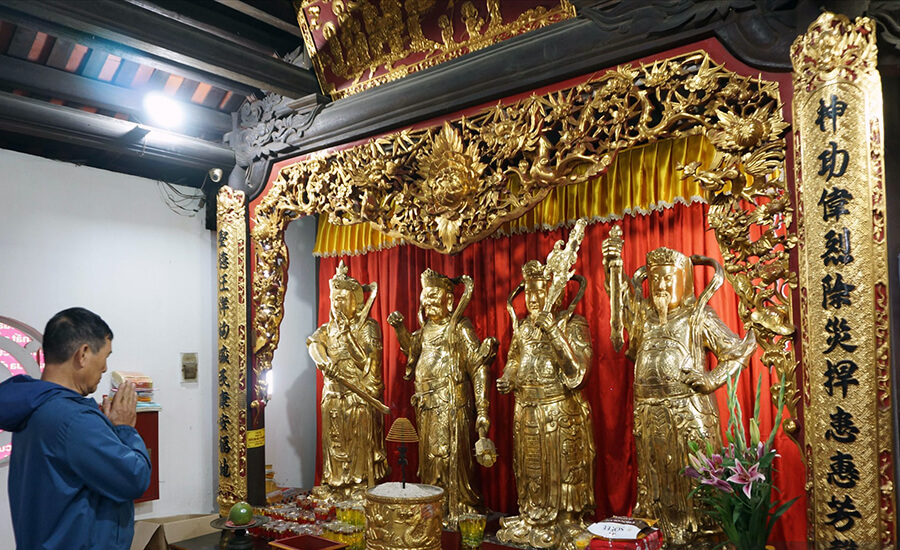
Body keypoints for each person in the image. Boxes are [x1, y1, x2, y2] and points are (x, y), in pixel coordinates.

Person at [602, 229, 757, 549]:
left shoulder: (697, 314)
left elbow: (740, 351)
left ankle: (704, 536)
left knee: (692, 479)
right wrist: (612, 264)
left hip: (688, 412)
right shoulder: (643, 315)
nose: (659, 285)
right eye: (655, 279)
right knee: (655, 477)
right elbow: (617, 304)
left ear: (683, 280)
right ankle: (657, 534)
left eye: (666, 278)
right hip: (648, 411)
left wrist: (712, 379)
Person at [0, 307, 151, 550]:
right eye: (105, 356)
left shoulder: (33, 407)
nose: (104, 368)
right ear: (83, 354)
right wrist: (124, 429)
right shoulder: (73, 419)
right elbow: (134, 478)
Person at [496, 258, 596, 550]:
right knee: (530, 469)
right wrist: (508, 376)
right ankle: (532, 517)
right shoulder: (524, 329)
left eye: (542, 291)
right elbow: (514, 359)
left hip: (559, 411)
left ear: (555, 292)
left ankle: (564, 520)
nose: (536, 299)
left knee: (561, 469)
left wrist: (554, 331)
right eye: (530, 292)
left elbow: (578, 374)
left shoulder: (572, 323)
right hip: (526, 410)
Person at [387, 269, 498, 529]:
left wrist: (482, 409)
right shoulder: (425, 330)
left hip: (453, 406)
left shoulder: (460, 327)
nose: (429, 302)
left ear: (449, 299)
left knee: (454, 461)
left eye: (435, 296)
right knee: (430, 461)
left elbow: (478, 365)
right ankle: (433, 506)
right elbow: (411, 350)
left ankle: (459, 506)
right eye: (426, 296)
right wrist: (400, 327)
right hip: (427, 408)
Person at [307, 261, 387, 500]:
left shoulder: (368, 327)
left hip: (357, 395)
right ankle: (334, 484)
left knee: (357, 440)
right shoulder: (327, 328)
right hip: (332, 394)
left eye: (343, 299)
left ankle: (358, 485)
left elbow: (367, 362)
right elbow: (313, 344)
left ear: (356, 301)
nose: (338, 304)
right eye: (334, 299)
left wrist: (348, 336)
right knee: (334, 440)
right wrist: (323, 362)